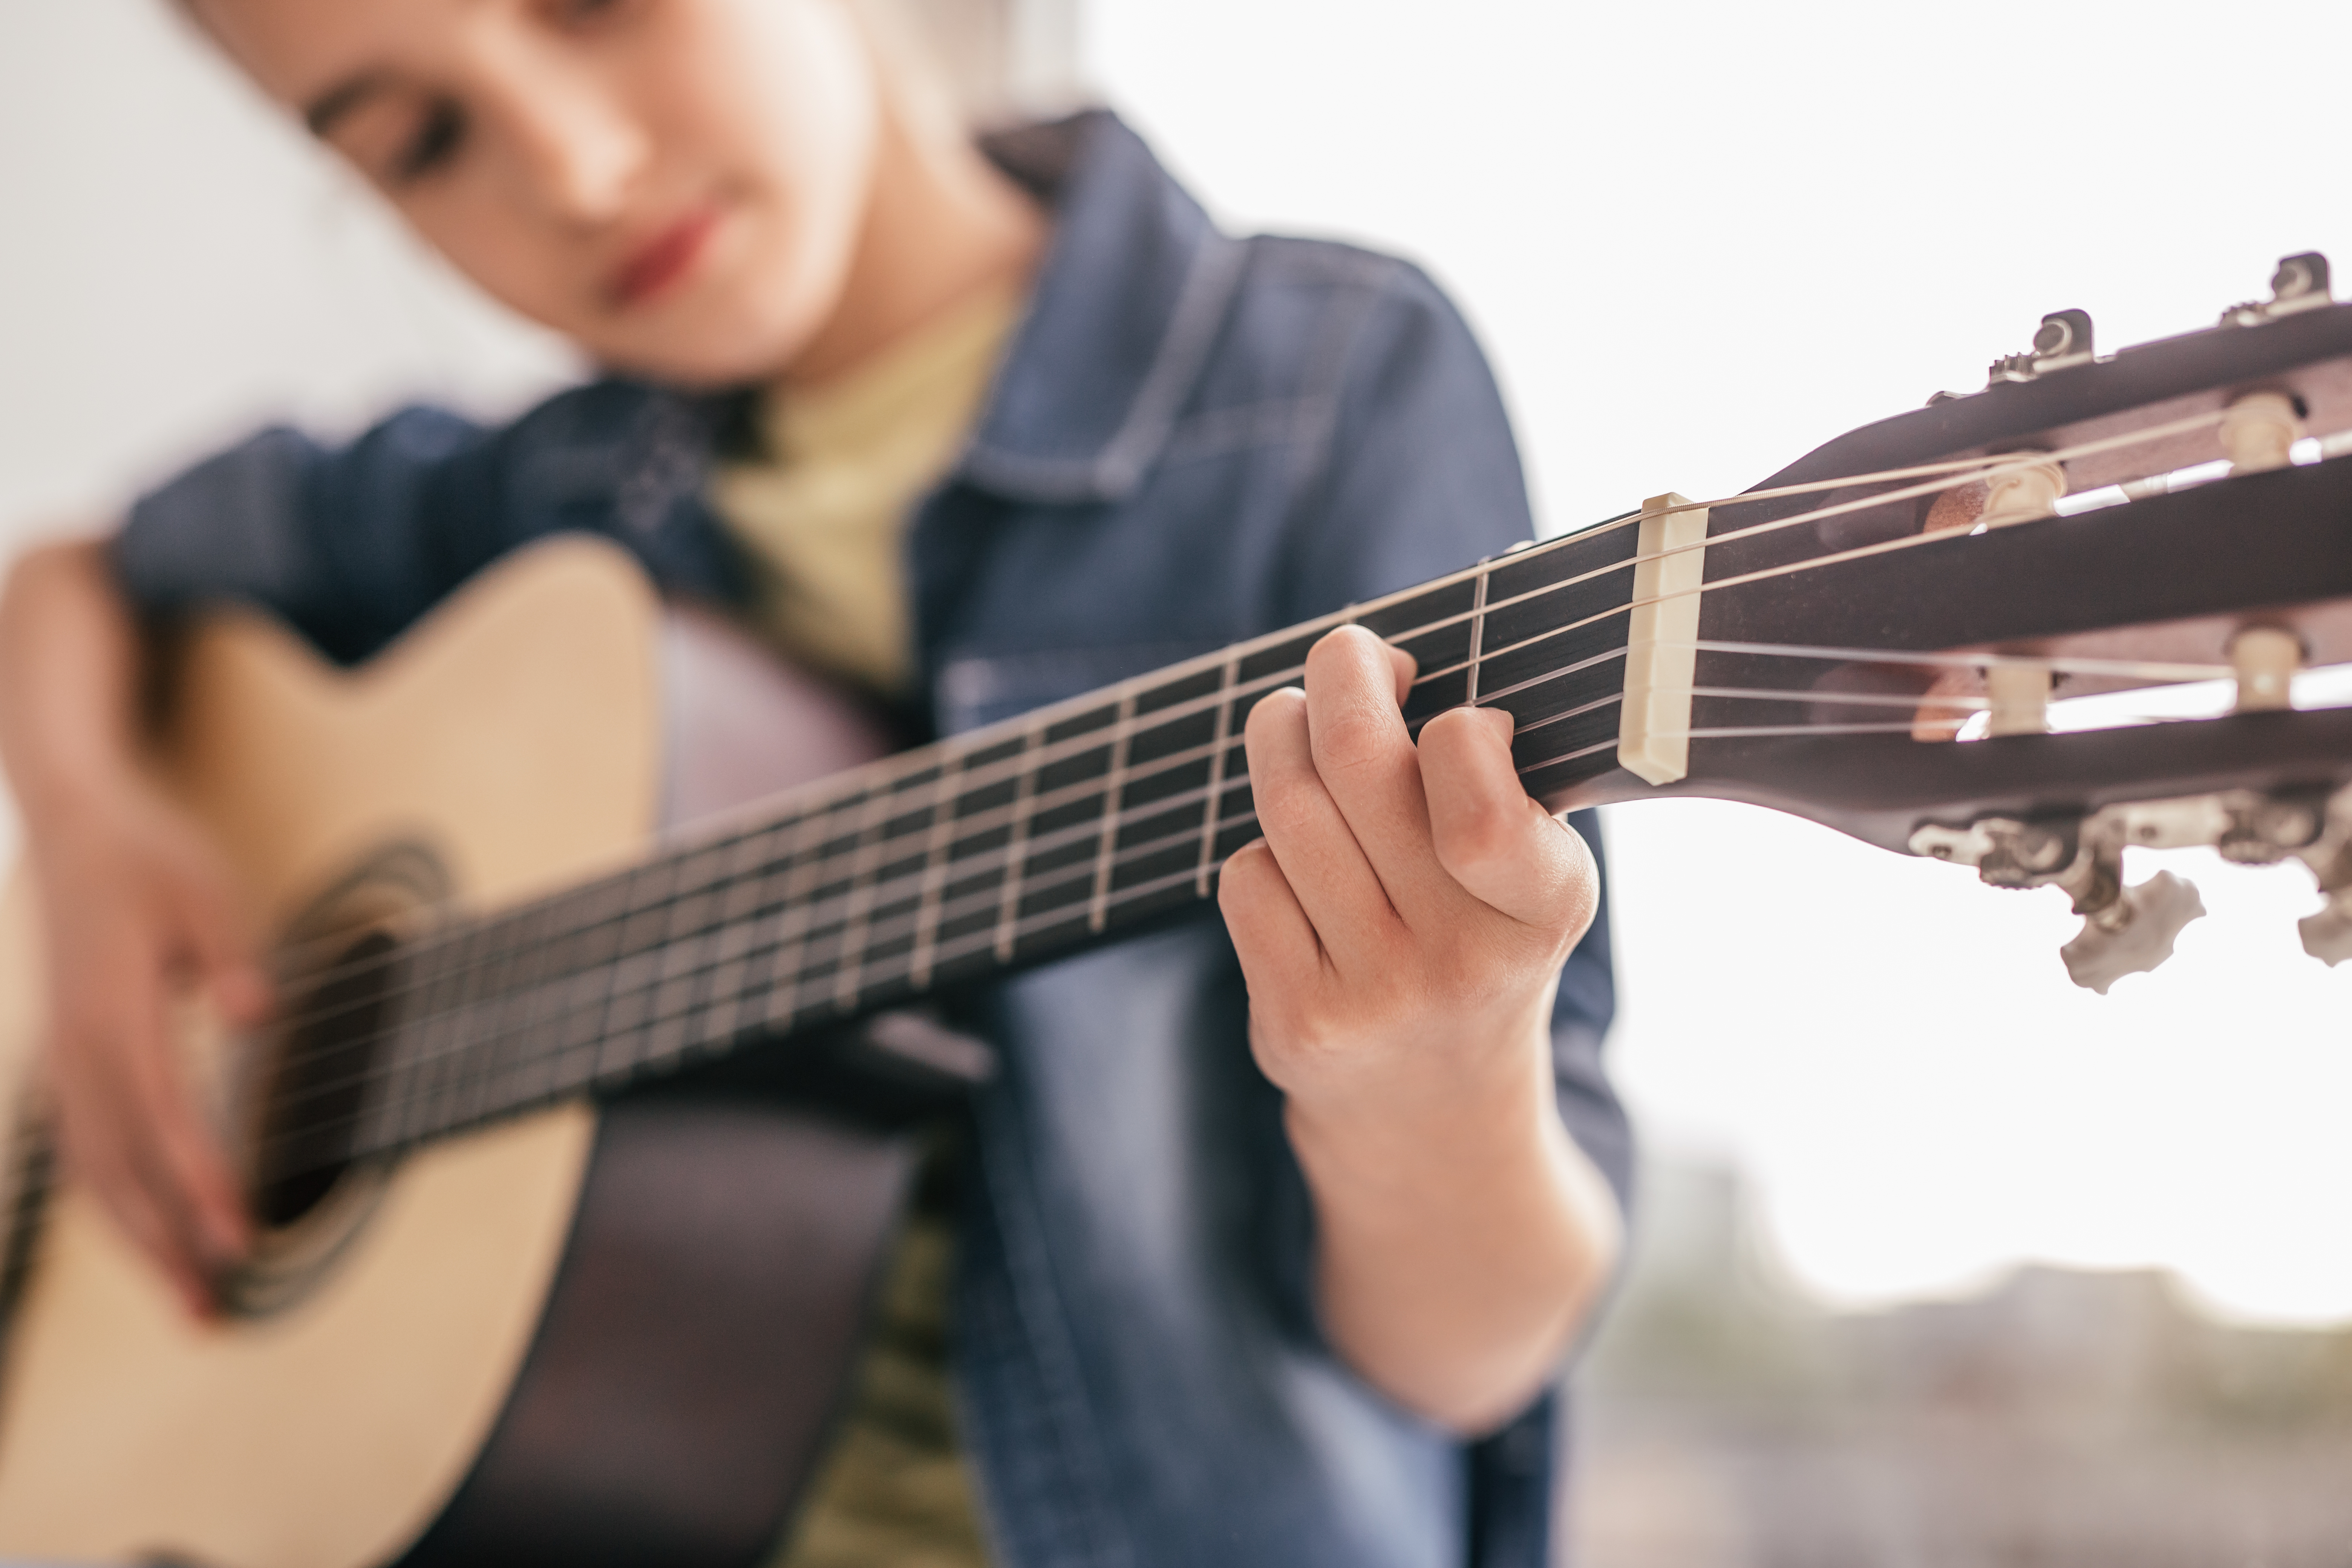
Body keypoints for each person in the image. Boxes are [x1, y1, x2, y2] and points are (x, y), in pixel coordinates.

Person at [0, 1, 1630, 1563]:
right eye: (425, 142)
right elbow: (72, 577)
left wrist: (1436, 1076)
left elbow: (1477, 1352)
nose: (568, 169)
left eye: (596, 2)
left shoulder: (1323, 390)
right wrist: (85, 837)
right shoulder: (535, 501)